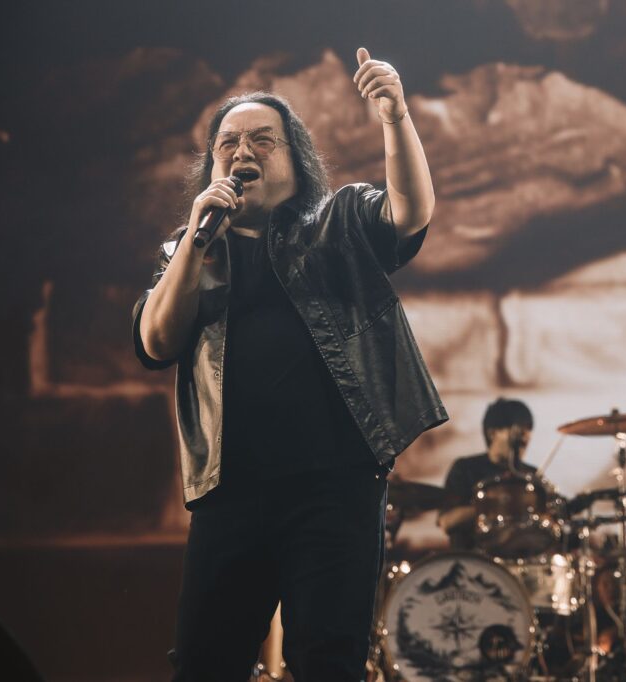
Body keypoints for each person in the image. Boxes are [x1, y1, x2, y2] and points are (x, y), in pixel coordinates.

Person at [131, 47, 447, 682]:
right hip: (229, 492)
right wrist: (197, 240)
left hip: (335, 487)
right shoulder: (190, 252)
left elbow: (410, 211)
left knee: (327, 661)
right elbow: (157, 342)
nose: (241, 152)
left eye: (261, 140)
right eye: (227, 143)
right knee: (204, 662)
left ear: (295, 160)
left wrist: (395, 116)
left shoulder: (339, 223)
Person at [438, 398, 536, 549]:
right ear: (492, 433)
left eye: (528, 428)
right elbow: (447, 521)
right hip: (473, 559)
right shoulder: (465, 468)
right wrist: (497, 505)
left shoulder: (531, 475)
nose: (526, 434)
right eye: (518, 427)